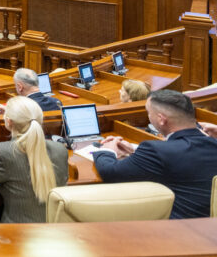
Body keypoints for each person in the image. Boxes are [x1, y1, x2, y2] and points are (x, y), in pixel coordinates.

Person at [92, 89, 217, 219]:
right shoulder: (213, 142)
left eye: (148, 113)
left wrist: (107, 149)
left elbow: (111, 173)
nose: (149, 117)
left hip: (181, 227)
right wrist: (134, 151)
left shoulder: (156, 150)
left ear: (161, 119)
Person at [0, 96, 68, 222]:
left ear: (9, 122)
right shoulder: (60, 149)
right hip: (57, 227)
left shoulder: (2, 152)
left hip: (18, 231)